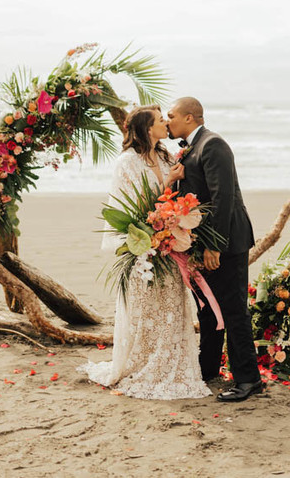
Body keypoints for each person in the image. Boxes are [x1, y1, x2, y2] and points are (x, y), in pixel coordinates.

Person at [78, 105, 211, 400]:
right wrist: (167, 183)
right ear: (148, 128)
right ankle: (144, 363)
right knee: (147, 308)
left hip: (169, 243)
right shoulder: (127, 162)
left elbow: (175, 197)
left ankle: (172, 362)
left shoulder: (166, 156)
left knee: (170, 306)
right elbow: (131, 206)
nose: (166, 123)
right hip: (143, 246)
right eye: (160, 120)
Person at [167, 97, 263, 403]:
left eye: (171, 115)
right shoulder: (192, 148)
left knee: (233, 310)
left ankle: (248, 379)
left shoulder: (213, 145)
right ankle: (207, 369)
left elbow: (223, 199)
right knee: (207, 309)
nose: (167, 121)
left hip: (227, 242)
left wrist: (214, 245)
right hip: (202, 241)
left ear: (190, 117)